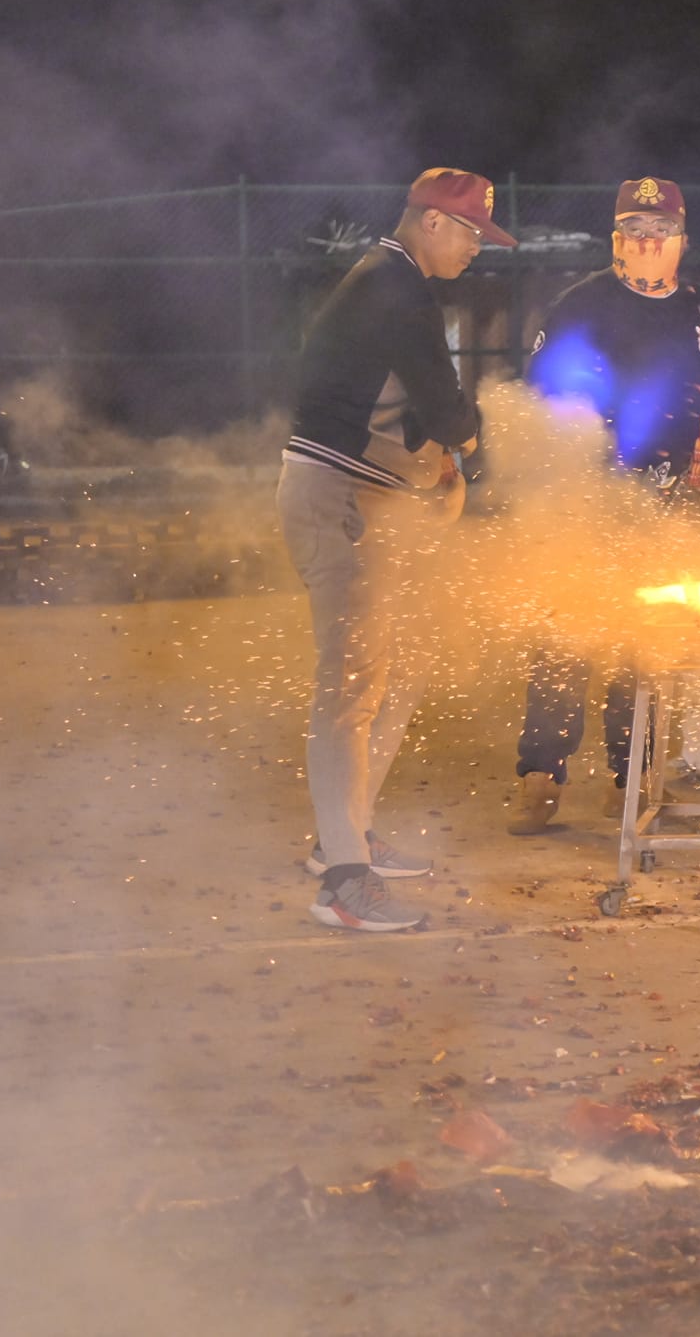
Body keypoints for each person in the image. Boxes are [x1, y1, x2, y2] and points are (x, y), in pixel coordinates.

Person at [278, 167, 515, 931]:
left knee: (398, 666)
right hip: (335, 498)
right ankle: (343, 882)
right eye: (474, 233)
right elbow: (444, 401)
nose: (479, 249)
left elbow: (402, 407)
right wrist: (471, 450)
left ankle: (347, 836)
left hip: (361, 492)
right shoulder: (397, 285)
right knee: (349, 685)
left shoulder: (390, 281)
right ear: (433, 223)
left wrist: (435, 460)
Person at [509, 176, 700, 833]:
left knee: (651, 640)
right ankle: (541, 773)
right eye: (635, 231)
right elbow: (535, 398)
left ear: (682, 240)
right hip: (591, 502)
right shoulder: (580, 307)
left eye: (661, 232)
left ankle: (635, 776)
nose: (649, 243)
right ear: (616, 241)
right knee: (565, 635)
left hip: (681, 505)